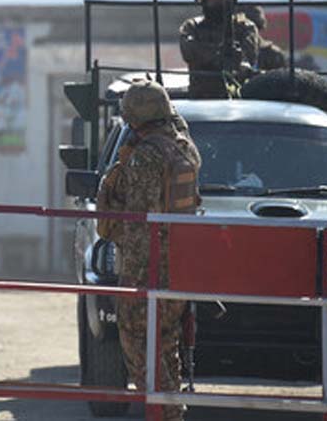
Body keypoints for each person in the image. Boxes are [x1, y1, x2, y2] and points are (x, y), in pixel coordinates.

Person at [96, 80, 201, 420]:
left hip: (149, 270)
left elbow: (140, 223)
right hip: (180, 265)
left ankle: (165, 413)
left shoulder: (146, 158)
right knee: (166, 345)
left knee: (138, 344)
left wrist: (133, 285)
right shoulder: (184, 148)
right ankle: (172, 412)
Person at [179, 0, 260, 99]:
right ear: (203, 1)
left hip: (238, 98)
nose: (217, 4)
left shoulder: (245, 27)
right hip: (201, 96)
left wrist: (234, 59)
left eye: (221, 0)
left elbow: (248, 56)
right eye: (212, 0)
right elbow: (189, 51)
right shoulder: (192, 27)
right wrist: (217, 56)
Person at [241, 5, 288, 71]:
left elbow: (281, 78)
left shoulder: (273, 54)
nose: (249, 32)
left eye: (252, 28)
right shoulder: (230, 51)